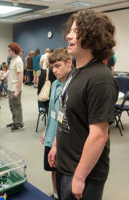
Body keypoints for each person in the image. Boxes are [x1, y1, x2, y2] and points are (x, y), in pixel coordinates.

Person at [48, 9, 118, 200]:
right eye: (69, 31)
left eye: (75, 31)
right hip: (66, 164)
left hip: (84, 173)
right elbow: (65, 112)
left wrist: (79, 176)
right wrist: (56, 144)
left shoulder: (100, 78)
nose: (68, 36)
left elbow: (99, 135)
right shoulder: (75, 72)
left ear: (91, 37)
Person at [40, 48, 73, 200]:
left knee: (63, 170)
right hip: (51, 133)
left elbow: (66, 117)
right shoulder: (54, 84)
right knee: (52, 166)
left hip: (62, 138)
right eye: (52, 67)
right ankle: (55, 193)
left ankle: (63, 194)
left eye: (58, 66)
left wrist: (55, 141)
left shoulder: (72, 85)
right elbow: (53, 111)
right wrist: (46, 130)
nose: (54, 70)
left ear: (69, 63)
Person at [6, 42, 24, 132]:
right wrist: (4, 75)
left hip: (15, 88)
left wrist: (18, 90)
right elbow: (10, 71)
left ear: (13, 51)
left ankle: (19, 124)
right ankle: (15, 121)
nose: (8, 52)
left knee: (16, 106)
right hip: (10, 87)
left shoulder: (18, 61)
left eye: (9, 50)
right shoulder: (13, 60)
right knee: (11, 106)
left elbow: (20, 76)